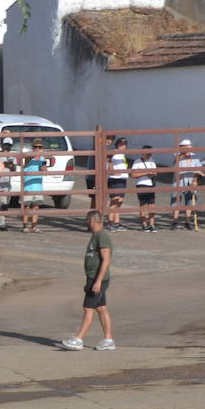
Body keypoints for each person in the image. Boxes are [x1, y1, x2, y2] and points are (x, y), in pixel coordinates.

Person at [60, 210, 115, 351]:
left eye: (87, 221)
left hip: (98, 279)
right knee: (101, 308)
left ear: (92, 221)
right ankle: (108, 340)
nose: (87, 223)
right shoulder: (96, 236)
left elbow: (106, 259)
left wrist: (97, 281)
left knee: (88, 308)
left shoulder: (102, 236)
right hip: (94, 278)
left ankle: (79, 339)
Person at [171, 139, 202, 230]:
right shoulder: (178, 155)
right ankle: (175, 222)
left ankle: (187, 222)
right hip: (178, 182)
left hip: (190, 182)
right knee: (176, 202)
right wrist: (183, 154)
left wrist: (195, 179)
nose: (190, 148)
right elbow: (175, 162)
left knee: (189, 202)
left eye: (190, 146)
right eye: (188, 146)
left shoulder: (195, 157)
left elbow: (197, 169)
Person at [20, 140, 48, 233]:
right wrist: (35, 154)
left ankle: (34, 226)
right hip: (28, 186)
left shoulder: (42, 159)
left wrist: (44, 163)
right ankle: (24, 226)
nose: (38, 149)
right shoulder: (29, 157)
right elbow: (26, 157)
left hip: (38, 186)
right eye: (36, 147)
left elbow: (44, 171)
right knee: (26, 207)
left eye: (40, 147)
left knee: (36, 207)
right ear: (32, 147)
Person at [131, 145, 158, 232]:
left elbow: (155, 172)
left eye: (150, 152)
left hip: (150, 185)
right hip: (141, 184)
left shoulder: (152, 161)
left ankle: (152, 224)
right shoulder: (137, 162)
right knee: (143, 206)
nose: (149, 154)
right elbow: (133, 175)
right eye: (147, 152)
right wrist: (146, 172)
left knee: (152, 205)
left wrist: (152, 173)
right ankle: (144, 225)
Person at [106, 137, 129, 231]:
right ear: (117, 145)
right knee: (114, 201)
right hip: (115, 179)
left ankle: (117, 222)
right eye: (121, 144)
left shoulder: (122, 154)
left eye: (124, 145)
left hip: (122, 179)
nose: (122, 146)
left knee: (119, 202)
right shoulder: (114, 152)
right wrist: (113, 171)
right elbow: (108, 159)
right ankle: (110, 222)